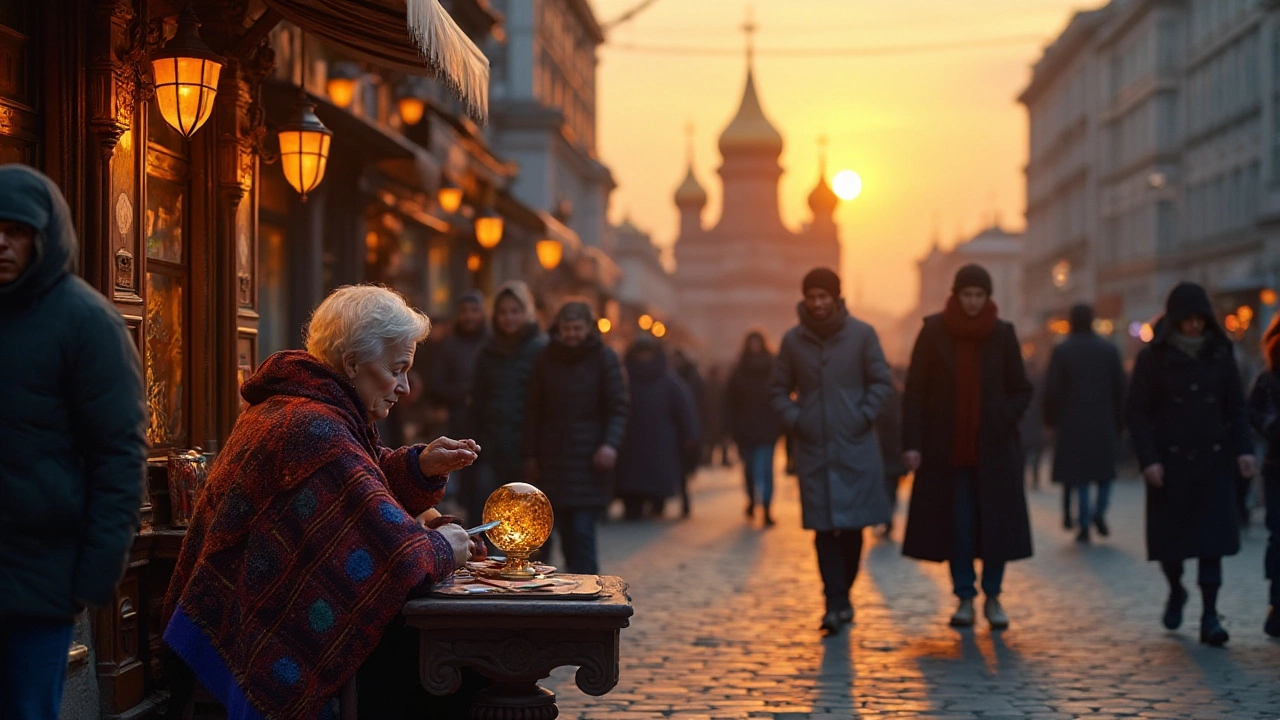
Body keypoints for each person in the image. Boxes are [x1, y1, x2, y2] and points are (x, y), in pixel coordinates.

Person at [162, 285, 481, 719]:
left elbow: (357, 484)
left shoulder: (303, 404)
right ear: (352, 364)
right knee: (456, 667)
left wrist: (418, 467)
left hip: (220, 621)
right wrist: (446, 547)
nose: (405, 387)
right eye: (397, 369)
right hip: (249, 638)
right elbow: (395, 549)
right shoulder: (315, 427)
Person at [0, 165, 148, 720]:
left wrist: (94, 576)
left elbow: (119, 457)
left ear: (44, 235)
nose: (2, 242)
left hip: (41, 578)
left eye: (16, 230)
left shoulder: (86, 322)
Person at [901, 264, 1033, 630]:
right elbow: (914, 392)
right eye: (967, 295)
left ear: (988, 297)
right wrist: (912, 443)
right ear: (956, 296)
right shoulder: (933, 332)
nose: (973, 302)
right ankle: (964, 598)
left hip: (993, 450)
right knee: (958, 526)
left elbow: (1022, 388)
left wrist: (1001, 417)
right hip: (947, 450)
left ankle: (993, 596)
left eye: (979, 295)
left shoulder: (1003, 334)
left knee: (995, 526)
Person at [1128, 282, 1254, 647]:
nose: (1195, 326)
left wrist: (1244, 450)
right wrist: (1149, 460)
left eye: (1201, 319)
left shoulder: (1220, 354)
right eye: (1188, 320)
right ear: (1176, 320)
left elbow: (1236, 408)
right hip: (1170, 465)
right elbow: (1137, 413)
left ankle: (1210, 615)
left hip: (1214, 461)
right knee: (1172, 545)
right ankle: (1175, 588)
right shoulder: (1153, 358)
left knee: (1210, 544)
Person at [771, 268, 893, 635]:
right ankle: (833, 602)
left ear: (837, 299)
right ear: (805, 300)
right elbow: (778, 389)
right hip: (815, 449)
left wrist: (863, 414)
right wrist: (798, 418)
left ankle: (843, 596)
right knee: (824, 530)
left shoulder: (862, 335)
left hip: (854, 446)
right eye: (812, 297)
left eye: (825, 296)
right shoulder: (793, 341)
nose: (818, 303)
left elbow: (881, 381)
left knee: (853, 529)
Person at [524, 301, 628, 574]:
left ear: (588, 329)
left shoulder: (605, 357)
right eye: (567, 328)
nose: (571, 334)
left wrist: (609, 445)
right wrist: (531, 455)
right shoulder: (545, 358)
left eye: (577, 328)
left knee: (581, 537)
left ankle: (586, 605)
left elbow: (617, 406)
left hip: (589, 462)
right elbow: (534, 409)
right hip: (552, 460)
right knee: (545, 539)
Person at [1044, 303, 1127, 544]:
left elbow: (1052, 390)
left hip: (1072, 423)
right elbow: (1120, 389)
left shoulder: (1062, 351)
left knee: (1081, 476)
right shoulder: (1109, 350)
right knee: (1104, 473)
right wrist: (1121, 421)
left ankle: (1083, 523)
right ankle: (1098, 511)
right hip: (1103, 420)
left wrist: (1051, 420)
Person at [467, 281, 547, 526]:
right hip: (490, 444)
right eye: (503, 312)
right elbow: (478, 400)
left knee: (527, 513)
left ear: (526, 312)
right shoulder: (487, 351)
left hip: (527, 447)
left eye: (515, 311)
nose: (509, 318)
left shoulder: (541, 349)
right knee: (486, 509)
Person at [617, 336, 700, 519]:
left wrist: (690, 435)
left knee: (656, 477)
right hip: (631, 439)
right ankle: (633, 506)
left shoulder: (669, 382)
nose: (644, 357)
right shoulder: (623, 379)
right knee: (631, 479)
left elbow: (684, 410)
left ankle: (656, 503)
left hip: (660, 440)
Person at [727, 330, 784, 526]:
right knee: (750, 470)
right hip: (745, 430)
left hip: (768, 429)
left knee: (766, 470)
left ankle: (767, 507)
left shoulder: (774, 369)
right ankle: (752, 500)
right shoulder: (739, 370)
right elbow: (730, 402)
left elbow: (781, 397)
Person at [1246, 312, 1280, 638]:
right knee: (1278, 535)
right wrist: (1271, 426)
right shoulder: (1269, 375)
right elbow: (1251, 411)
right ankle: (1277, 603)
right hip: (1277, 464)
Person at [876, 368, 908, 538]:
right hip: (896, 451)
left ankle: (885, 517)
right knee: (891, 488)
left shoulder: (878, 400)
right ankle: (887, 517)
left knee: (883, 487)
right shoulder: (900, 395)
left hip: (884, 451)